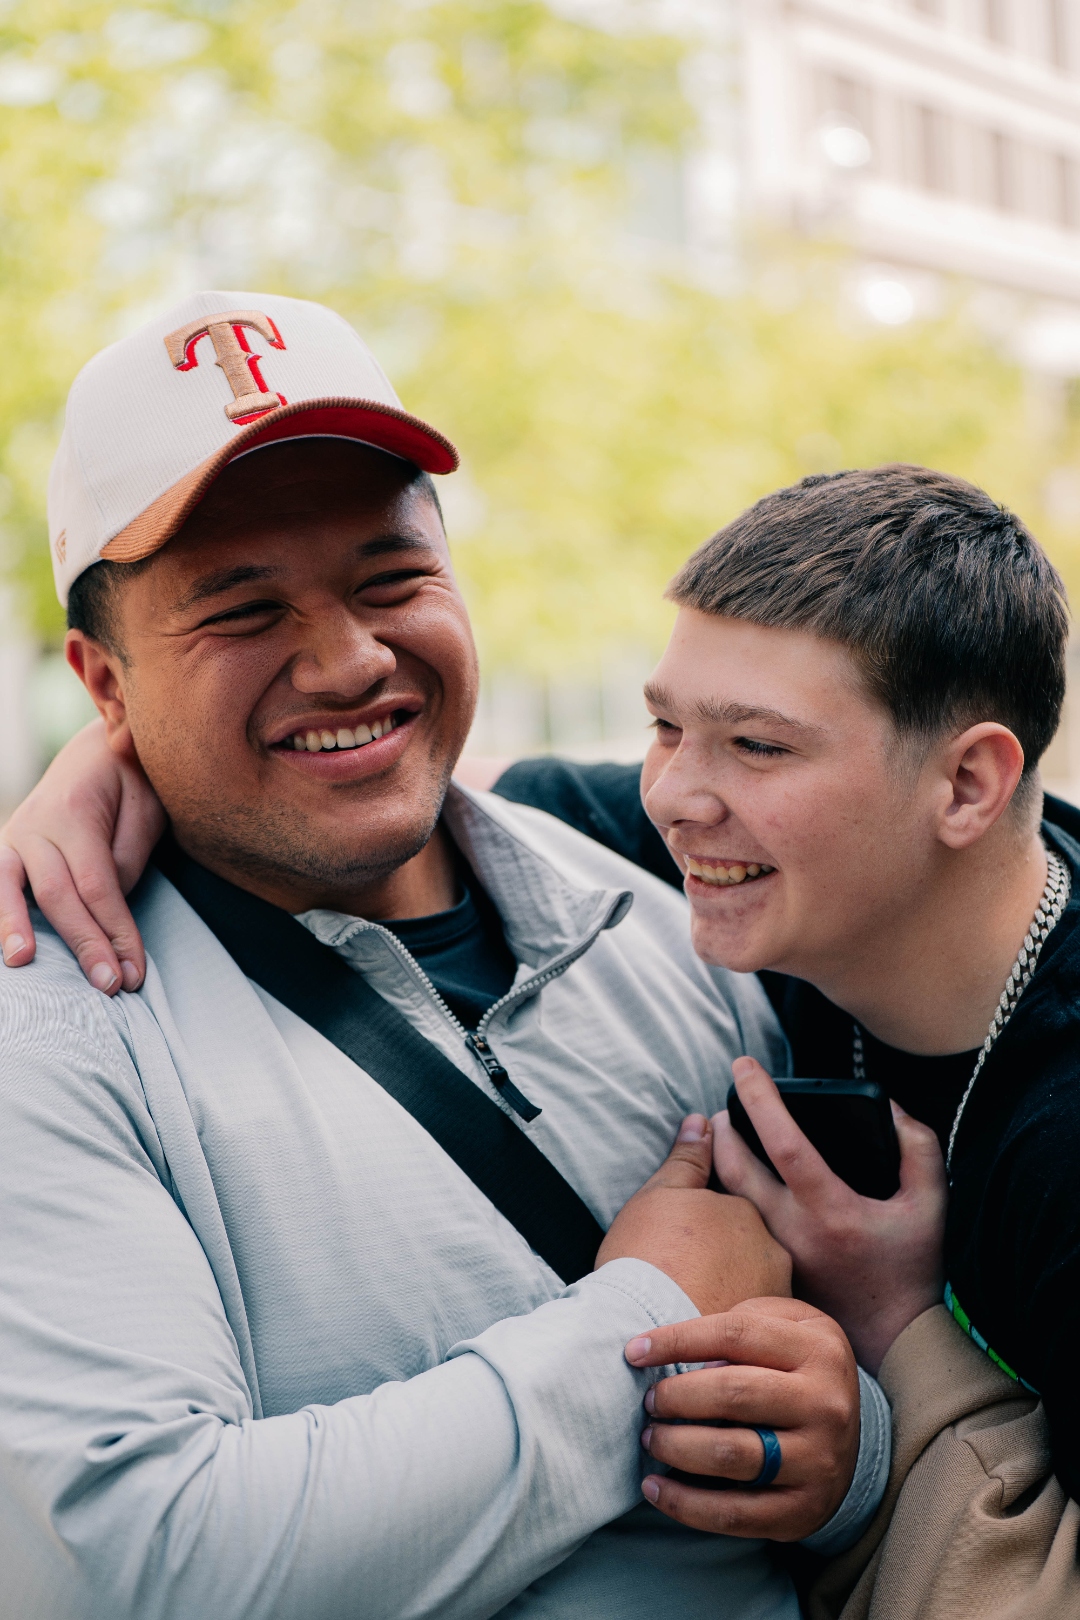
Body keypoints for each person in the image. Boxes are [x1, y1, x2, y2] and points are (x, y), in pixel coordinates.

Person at [19, 461, 1080, 1614]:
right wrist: (114, 757)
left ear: (969, 784)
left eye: (759, 748)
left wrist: (890, 1348)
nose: (678, 798)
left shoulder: (1041, 1133)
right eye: (665, 726)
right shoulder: (630, 854)